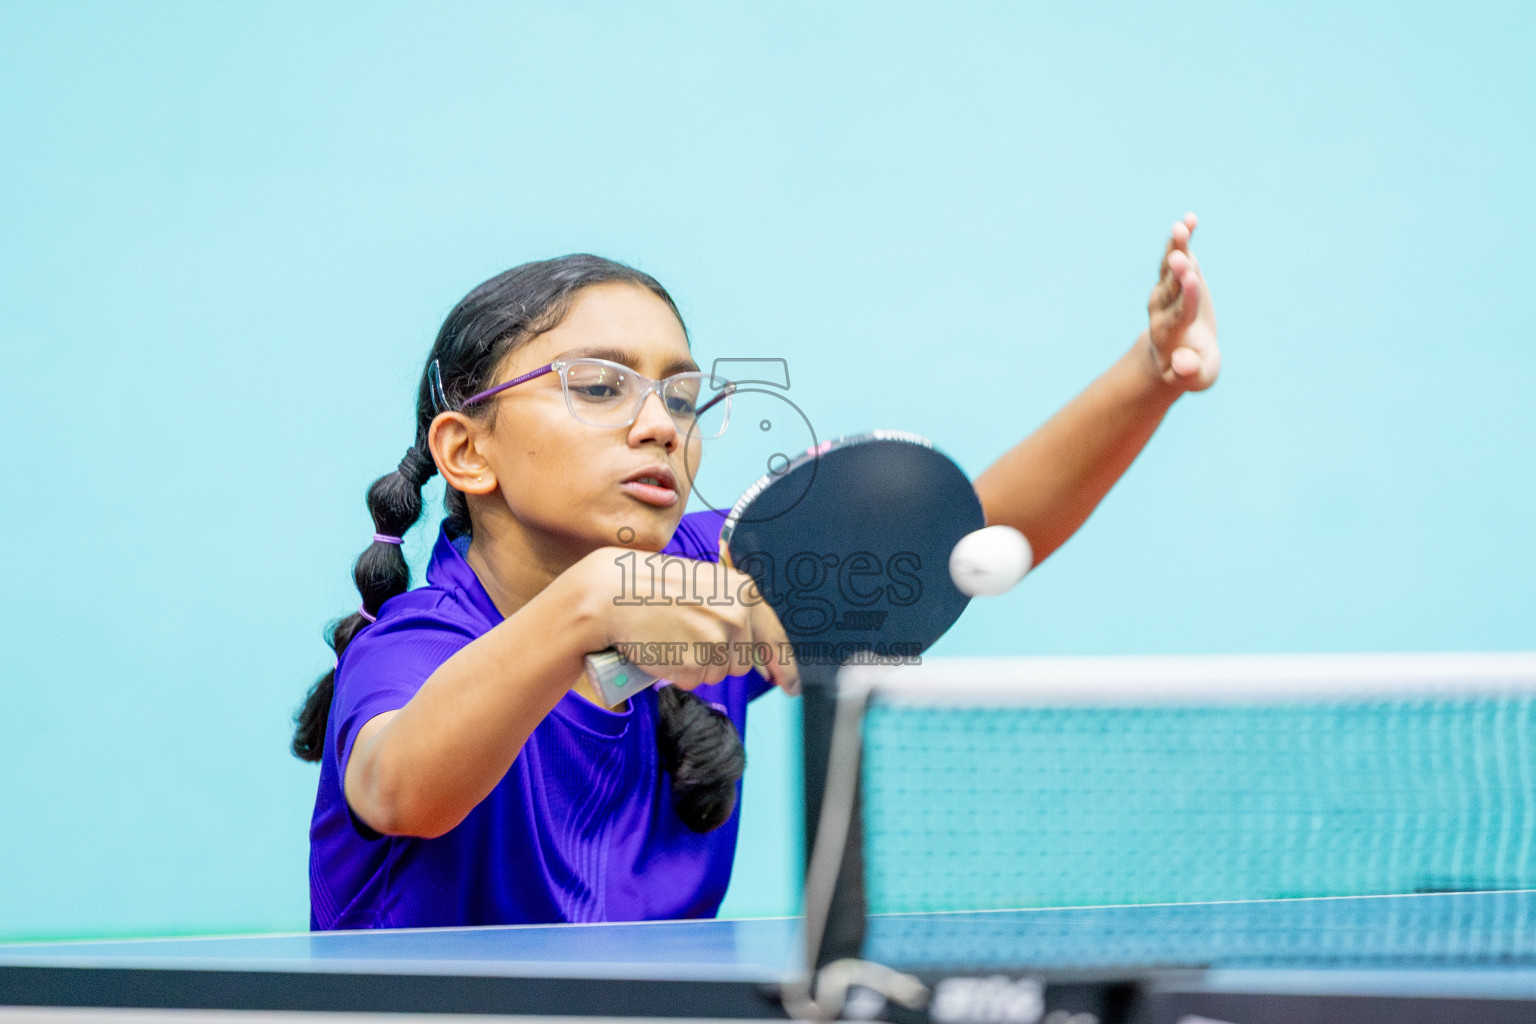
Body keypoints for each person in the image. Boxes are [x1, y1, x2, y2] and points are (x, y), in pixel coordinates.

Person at [295, 214, 1220, 930]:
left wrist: (1153, 373)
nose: (659, 425)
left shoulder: (708, 570)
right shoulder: (418, 642)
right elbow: (400, 789)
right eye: (600, 386)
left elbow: (955, 542)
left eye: (682, 398)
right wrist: (591, 605)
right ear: (466, 451)